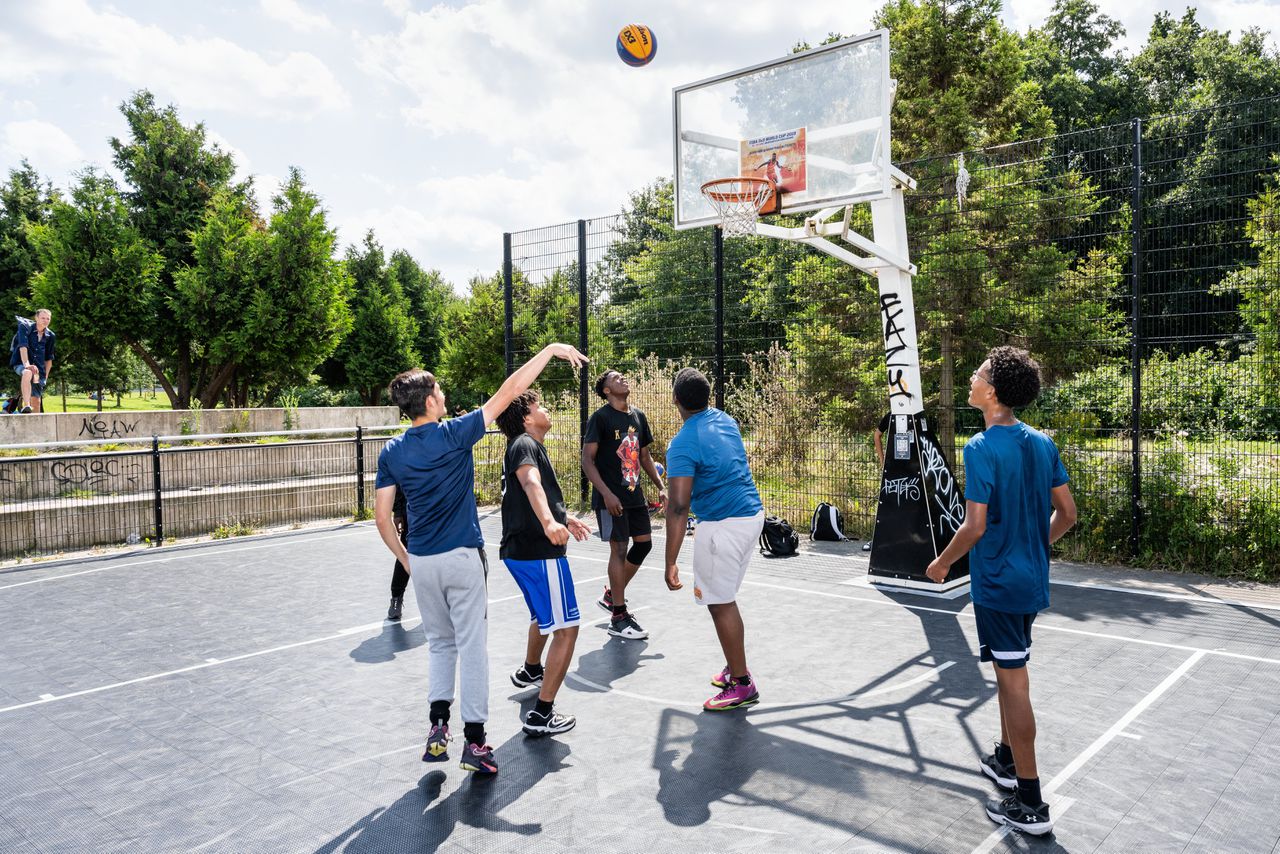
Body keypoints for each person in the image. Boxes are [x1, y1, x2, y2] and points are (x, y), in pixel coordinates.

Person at [373, 343, 588, 777]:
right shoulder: (454, 433)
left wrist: (408, 560)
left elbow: (382, 518)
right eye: (440, 390)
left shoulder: (392, 451)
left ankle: (438, 725)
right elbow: (511, 391)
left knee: (440, 644)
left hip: (423, 561)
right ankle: (474, 741)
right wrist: (550, 350)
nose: (445, 395)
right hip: (461, 557)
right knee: (471, 646)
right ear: (431, 401)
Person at [925, 346, 1076, 837]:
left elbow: (973, 526)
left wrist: (942, 562)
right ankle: (1009, 760)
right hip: (1030, 579)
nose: (972, 376)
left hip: (998, 584)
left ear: (991, 392)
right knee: (1007, 667)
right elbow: (1068, 515)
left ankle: (1031, 802)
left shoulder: (981, 447)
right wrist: (1032, 545)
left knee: (1013, 683)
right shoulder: (1042, 443)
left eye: (980, 372)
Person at [661, 367, 765, 711]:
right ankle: (733, 661)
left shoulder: (682, 444)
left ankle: (742, 682)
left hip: (724, 526)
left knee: (720, 603)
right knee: (726, 596)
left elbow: (678, 508)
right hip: (752, 516)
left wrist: (670, 561)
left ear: (676, 400)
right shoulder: (725, 420)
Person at [496, 390, 591, 737]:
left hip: (520, 550)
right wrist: (550, 525)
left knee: (543, 616)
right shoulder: (524, 444)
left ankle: (532, 670)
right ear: (526, 418)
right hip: (537, 552)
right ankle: (541, 714)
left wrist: (563, 520)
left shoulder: (526, 444)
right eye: (540, 407)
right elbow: (530, 482)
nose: (547, 409)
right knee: (567, 627)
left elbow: (532, 497)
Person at [581, 369, 666, 640]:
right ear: (606, 390)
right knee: (618, 549)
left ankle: (611, 595)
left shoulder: (638, 416)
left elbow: (644, 456)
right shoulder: (600, 418)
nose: (622, 379)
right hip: (611, 498)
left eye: (622, 377)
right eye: (615, 378)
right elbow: (587, 461)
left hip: (633, 495)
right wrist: (606, 493)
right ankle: (619, 616)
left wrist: (661, 488)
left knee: (644, 543)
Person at [10, 310, 55, 414]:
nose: (46, 320)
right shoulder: (25, 327)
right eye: (43, 318)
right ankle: (26, 405)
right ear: (36, 318)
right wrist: (27, 365)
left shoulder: (51, 336)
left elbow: (48, 359)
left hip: (38, 370)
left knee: (36, 401)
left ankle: (36, 426)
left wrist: (45, 377)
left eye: (48, 318)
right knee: (27, 372)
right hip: (21, 363)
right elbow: (23, 346)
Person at [866, 411, 892, 550]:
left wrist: (883, 459)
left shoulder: (891, 415)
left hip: (894, 465)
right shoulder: (892, 416)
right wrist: (882, 460)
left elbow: (877, 435)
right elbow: (877, 436)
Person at [385, 485, 409, 621]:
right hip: (411, 510)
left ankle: (440, 602)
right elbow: (398, 479)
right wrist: (398, 511)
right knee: (405, 553)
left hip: (436, 510)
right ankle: (396, 598)